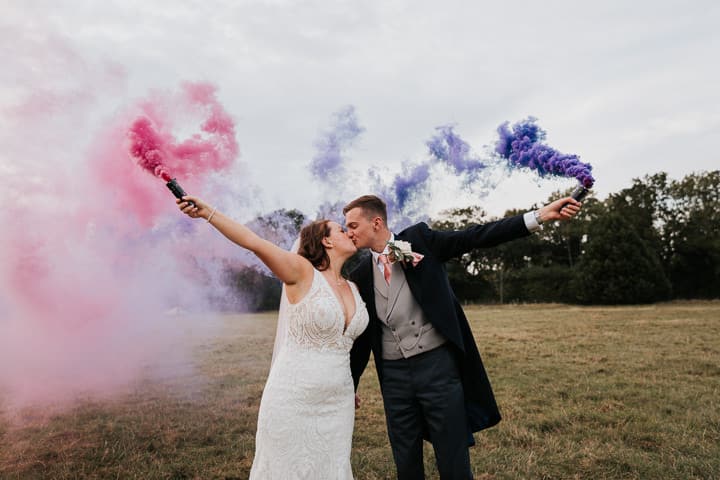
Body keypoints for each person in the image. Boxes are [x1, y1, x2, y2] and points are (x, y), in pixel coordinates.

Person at [344, 194, 581, 479]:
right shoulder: (359, 275)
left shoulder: (419, 241)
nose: (349, 232)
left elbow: (476, 236)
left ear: (376, 222)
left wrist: (539, 215)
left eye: (353, 225)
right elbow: (361, 338)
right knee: (404, 456)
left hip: (437, 367)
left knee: (452, 453)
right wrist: (351, 383)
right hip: (394, 377)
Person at [177, 196, 369, 479]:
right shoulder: (301, 272)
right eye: (341, 229)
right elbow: (253, 242)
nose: (348, 232)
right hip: (293, 398)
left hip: (337, 402)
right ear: (326, 241)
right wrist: (208, 212)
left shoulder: (353, 287)